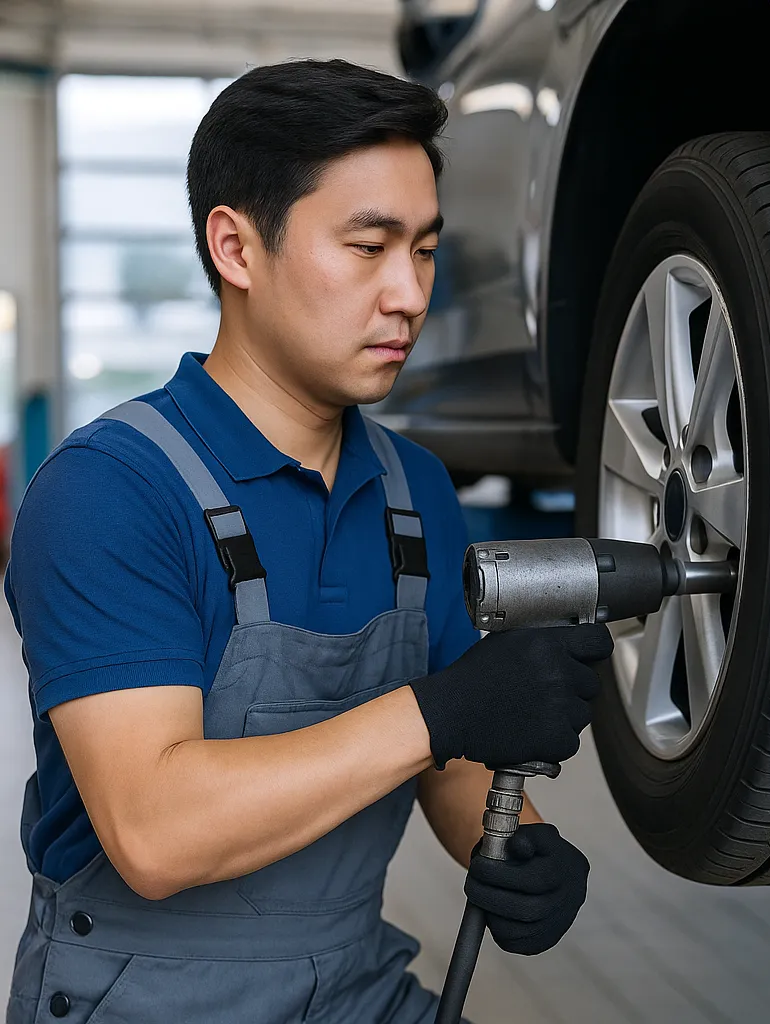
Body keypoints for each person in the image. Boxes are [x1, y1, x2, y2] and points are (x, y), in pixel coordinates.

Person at [4, 60, 613, 1024]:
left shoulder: (415, 492)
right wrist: (441, 712)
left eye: (423, 250)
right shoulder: (109, 491)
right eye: (368, 247)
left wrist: (514, 841)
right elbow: (156, 832)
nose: (409, 294)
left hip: (354, 987)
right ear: (237, 248)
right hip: (143, 998)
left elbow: (450, 752)